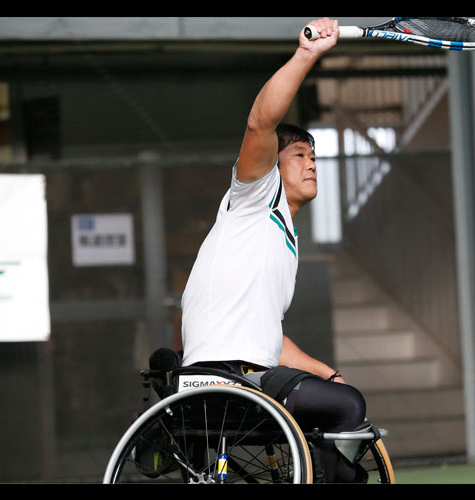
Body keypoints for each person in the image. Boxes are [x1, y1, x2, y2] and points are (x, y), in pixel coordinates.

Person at [180, 18, 367, 483]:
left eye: (313, 156)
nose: (311, 163)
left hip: (249, 371)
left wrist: (326, 371)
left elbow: (270, 338)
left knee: (336, 394)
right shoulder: (253, 196)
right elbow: (260, 121)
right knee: (347, 407)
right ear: (272, 165)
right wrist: (307, 55)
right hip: (225, 376)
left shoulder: (281, 234)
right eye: (299, 154)